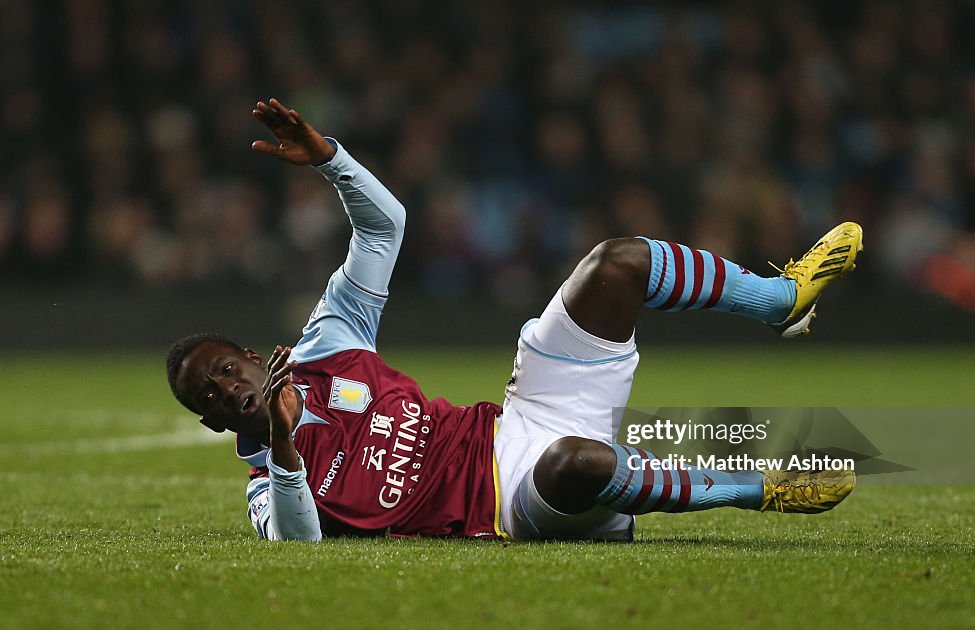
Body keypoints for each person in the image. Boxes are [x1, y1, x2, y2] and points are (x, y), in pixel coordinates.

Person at [166, 98, 861, 542]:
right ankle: (764, 487)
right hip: (513, 502)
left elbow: (385, 230)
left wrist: (333, 162)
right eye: (211, 397)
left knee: (616, 261)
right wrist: (285, 444)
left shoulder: (326, 344)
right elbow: (300, 545)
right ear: (215, 423)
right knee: (579, 462)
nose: (225, 390)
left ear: (253, 356)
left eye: (225, 371)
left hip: (521, 411)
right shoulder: (268, 491)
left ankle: (780, 302)